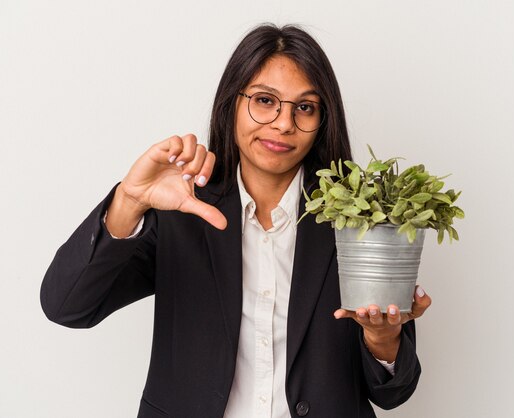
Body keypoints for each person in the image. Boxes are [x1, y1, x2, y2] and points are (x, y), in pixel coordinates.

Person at [40, 24, 432, 418]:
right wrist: (129, 200)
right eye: (265, 100)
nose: (283, 123)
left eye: (305, 107)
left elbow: (393, 393)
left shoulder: (357, 217)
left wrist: (383, 337)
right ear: (232, 102)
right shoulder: (182, 208)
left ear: (322, 120)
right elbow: (67, 306)